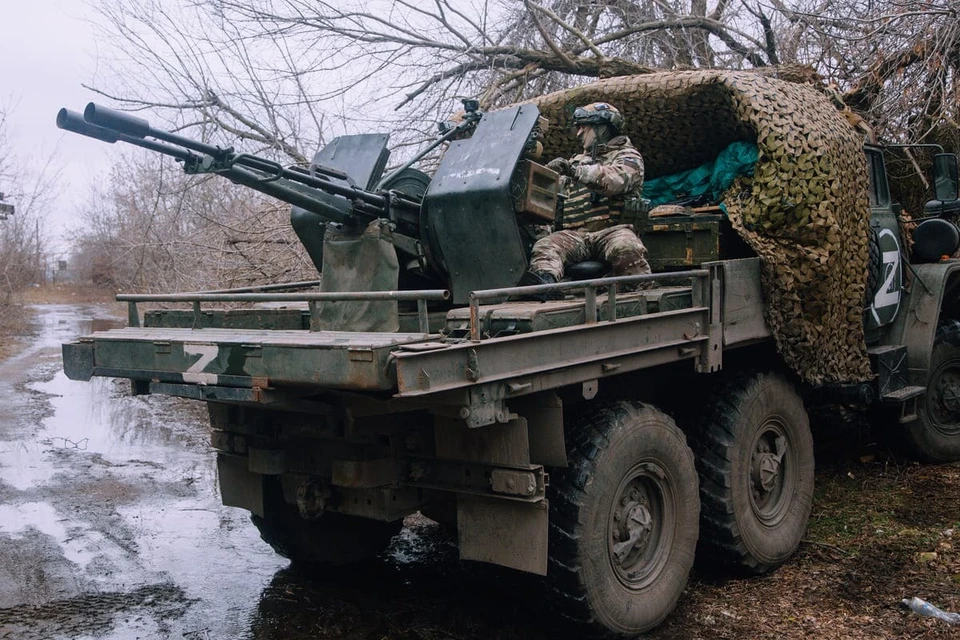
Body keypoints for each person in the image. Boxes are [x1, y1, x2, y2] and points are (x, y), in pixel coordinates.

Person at [519, 102, 650, 298]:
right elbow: (551, 194)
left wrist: (573, 171)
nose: (579, 133)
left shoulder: (628, 156)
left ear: (603, 126)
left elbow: (614, 180)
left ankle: (637, 294)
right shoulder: (576, 161)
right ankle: (544, 288)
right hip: (577, 235)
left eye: (583, 126)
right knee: (546, 246)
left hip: (613, 230)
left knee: (626, 247)